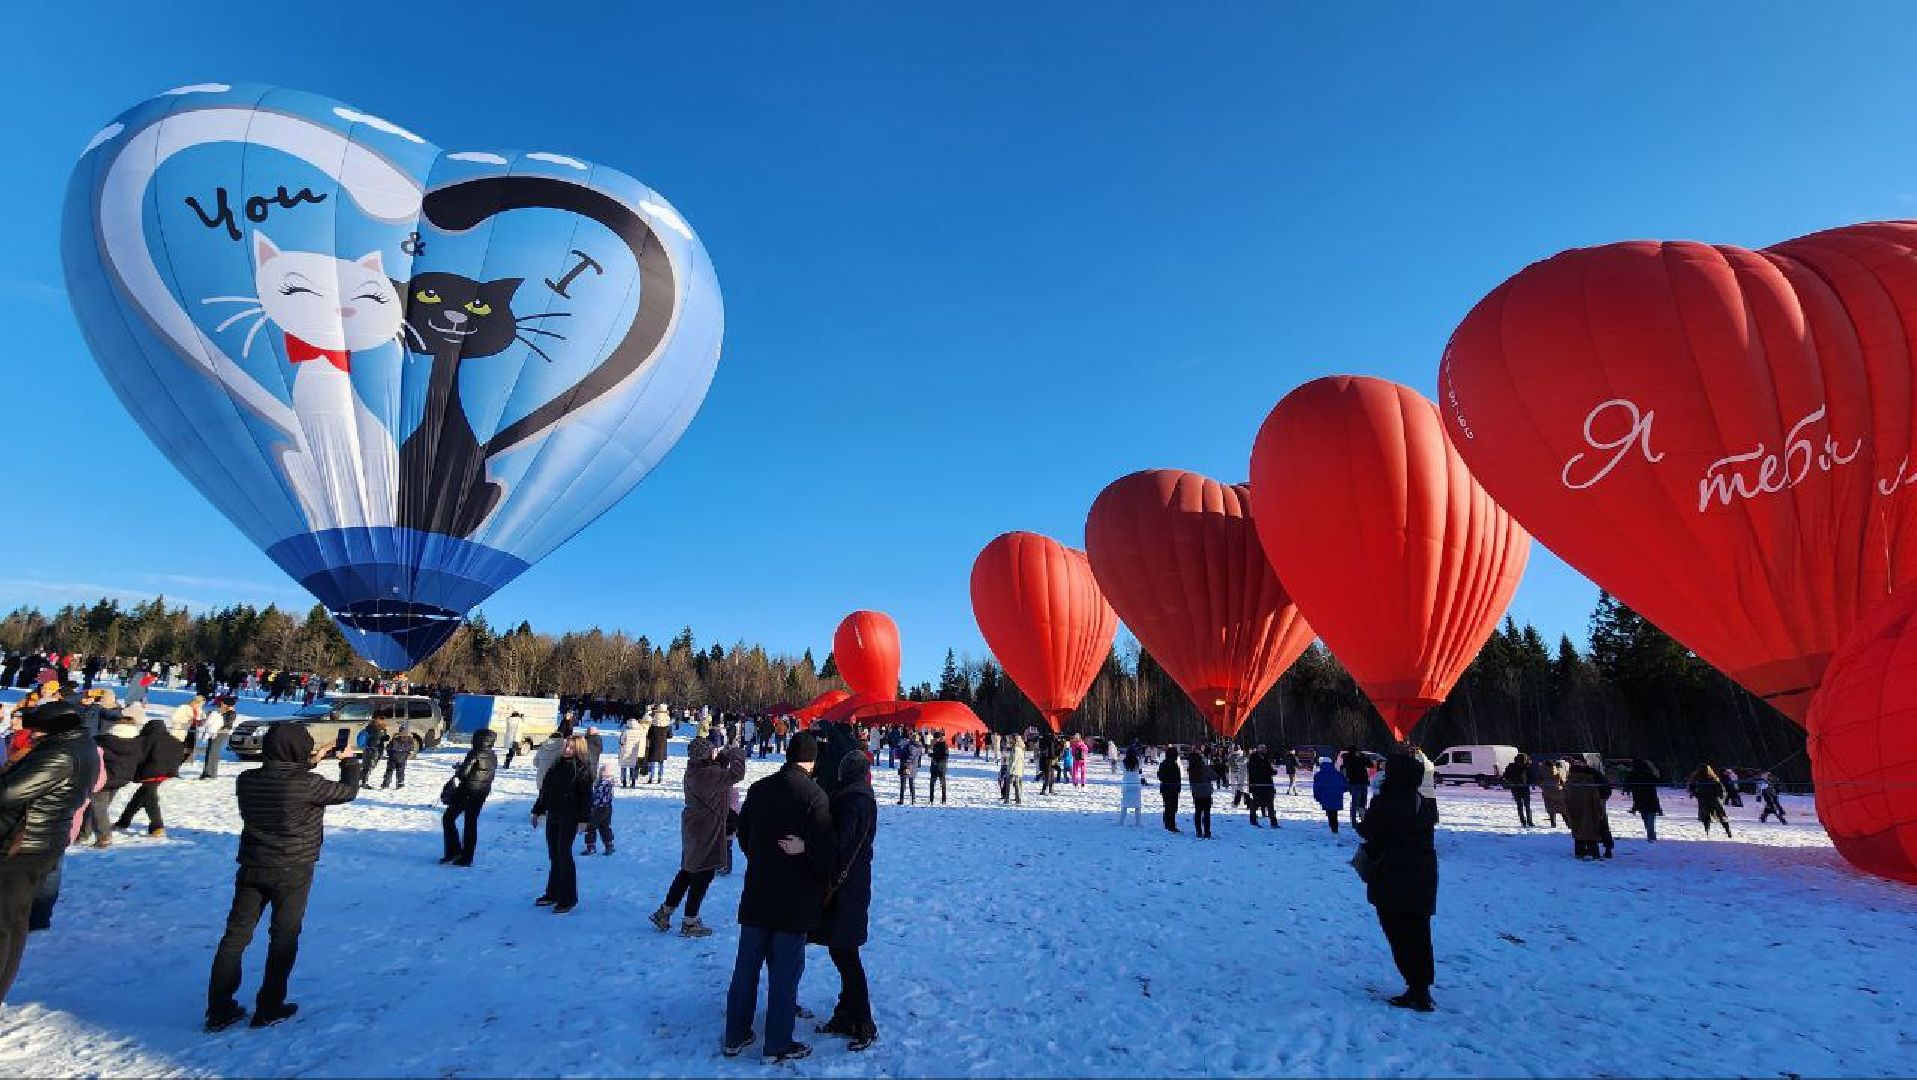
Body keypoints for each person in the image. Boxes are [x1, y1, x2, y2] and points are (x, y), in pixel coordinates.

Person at [205, 723, 360, 1031]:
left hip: (253, 863)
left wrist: (308, 762)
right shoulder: (307, 784)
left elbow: (284, 778)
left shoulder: (247, 779)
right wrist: (348, 761)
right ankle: (269, 1005)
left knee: (235, 938)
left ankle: (219, 1009)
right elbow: (348, 792)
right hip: (294, 868)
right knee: (283, 938)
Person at [723, 732, 836, 1062]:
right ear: (812, 761)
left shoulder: (759, 789)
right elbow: (827, 855)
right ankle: (777, 1043)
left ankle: (736, 1033)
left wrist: (762, 858)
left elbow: (744, 837)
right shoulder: (815, 796)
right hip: (794, 899)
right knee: (785, 972)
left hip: (758, 892)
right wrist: (807, 851)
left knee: (746, 968)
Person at [0, 701, 100, 1003]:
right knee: (15, 920)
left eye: (36, 730)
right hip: (40, 841)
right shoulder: (81, 746)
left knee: (5, 923)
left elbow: (7, 792)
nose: (32, 735)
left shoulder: (59, 753)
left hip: (25, 846)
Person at [1354, 753, 1440, 1013]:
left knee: (1398, 934)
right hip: (1422, 876)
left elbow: (1371, 832)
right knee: (1420, 934)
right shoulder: (1423, 802)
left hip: (1393, 875)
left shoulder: (1386, 802)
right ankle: (1421, 987)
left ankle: (1415, 987)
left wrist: (1364, 818)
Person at [812, 750, 879, 1051]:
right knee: (842, 953)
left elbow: (839, 842)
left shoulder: (854, 800)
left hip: (846, 888)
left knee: (846, 955)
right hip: (851, 885)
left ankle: (863, 1021)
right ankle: (846, 1014)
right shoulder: (857, 795)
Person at [651, 738, 747, 937]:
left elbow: (715, 768)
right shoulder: (709, 774)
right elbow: (736, 774)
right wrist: (737, 754)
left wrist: (724, 754)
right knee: (703, 872)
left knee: (688, 870)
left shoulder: (695, 769)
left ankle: (665, 911)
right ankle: (690, 921)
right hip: (707, 828)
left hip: (693, 825)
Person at [531, 735, 593, 913]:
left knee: (564, 855)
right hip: (553, 813)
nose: (567, 750)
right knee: (554, 855)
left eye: (571, 748)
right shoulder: (556, 764)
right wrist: (537, 809)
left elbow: (586, 797)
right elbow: (546, 790)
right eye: (566, 746)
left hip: (570, 815)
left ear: (578, 750)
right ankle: (553, 892)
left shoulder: (581, 769)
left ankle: (568, 897)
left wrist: (583, 819)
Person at [116, 715, 185, 837]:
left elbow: (139, 756)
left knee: (150, 798)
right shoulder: (174, 741)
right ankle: (124, 821)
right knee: (141, 795)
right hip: (166, 773)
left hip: (150, 773)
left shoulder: (146, 740)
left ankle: (157, 826)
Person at [440, 728, 497, 866]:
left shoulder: (475, 753)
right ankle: (467, 856)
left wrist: (459, 768)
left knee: (448, 818)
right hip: (482, 792)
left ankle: (454, 851)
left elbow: (463, 774)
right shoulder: (492, 755)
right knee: (471, 823)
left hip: (467, 791)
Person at [91, 707, 144, 848]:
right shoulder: (138, 743)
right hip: (123, 778)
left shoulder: (103, 740)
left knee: (98, 806)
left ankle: (103, 836)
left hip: (103, 778)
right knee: (102, 806)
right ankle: (89, 832)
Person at [1563, 760, 1613, 860]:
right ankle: (1601, 850)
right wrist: (1599, 809)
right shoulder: (1589, 779)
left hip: (1578, 810)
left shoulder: (1570, 783)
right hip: (1592, 808)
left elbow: (1565, 800)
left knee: (1580, 830)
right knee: (1596, 829)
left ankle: (1581, 852)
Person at [1688, 765, 1732, 837]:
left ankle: (1707, 832)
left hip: (1704, 800)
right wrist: (1720, 797)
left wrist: (1697, 795)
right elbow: (1721, 789)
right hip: (1714, 799)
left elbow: (1691, 789)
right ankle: (1728, 832)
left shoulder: (1697, 780)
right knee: (1721, 816)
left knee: (1706, 816)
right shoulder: (1713, 779)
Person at [1625, 758, 1663, 840]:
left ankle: (1651, 835)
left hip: (1639, 799)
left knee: (1646, 817)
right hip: (1650, 798)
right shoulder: (1648, 773)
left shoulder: (1633, 774)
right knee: (1650, 818)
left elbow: (1627, 783)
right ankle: (1651, 835)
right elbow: (1657, 780)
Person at [583, 762, 616, 856]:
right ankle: (609, 845)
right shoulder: (610, 783)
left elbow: (597, 797)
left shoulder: (601, 783)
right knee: (605, 827)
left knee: (591, 827)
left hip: (598, 809)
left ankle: (591, 847)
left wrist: (591, 805)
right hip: (607, 809)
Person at [200, 698, 237, 779]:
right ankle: (206, 772)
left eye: (223, 703)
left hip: (221, 734)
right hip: (212, 732)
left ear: (227, 704)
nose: (221, 704)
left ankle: (212, 774)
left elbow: (225, 723)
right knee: (209, 752)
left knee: (214, 753)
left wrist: (217, 715)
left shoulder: (231, 713)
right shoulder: (221, 711)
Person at [1313, 755, 1349, 833]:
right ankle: (1334, 828)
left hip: (1325, 795)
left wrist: (1317, 797)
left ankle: (1333, 829)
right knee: (1334, 812)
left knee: (1330, 811)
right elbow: (1345, 785)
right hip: (1337, 795)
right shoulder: (1338, 773)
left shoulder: (1319, 775)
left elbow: (1316, 787)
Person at [1246, 748, 1278, 828]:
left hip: (1268, 785)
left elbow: (1270, 770)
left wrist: (1273, 771)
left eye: (1264, 748)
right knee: (1256, 803)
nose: (1264, 750)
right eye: (1262, 748)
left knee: (1270, 803)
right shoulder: (1253, 759)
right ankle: (1253, 820)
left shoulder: (1267, 758)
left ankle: (1273, 821)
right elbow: (1254, 773)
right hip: (1257, 785)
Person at [1186, 749, 1214, 839]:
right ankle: (1207, 832)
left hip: (1196, 793)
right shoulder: (1204, 768)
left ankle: (1198, 831)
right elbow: (1214, 776)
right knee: (1206, 813)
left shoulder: (1191, 769)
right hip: (1206, 792)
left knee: (1198, 812)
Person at [1502, 753, 1535, 828]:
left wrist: (1510, 782)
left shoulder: (1512, 766)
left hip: (1517, 788)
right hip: (1522, 788)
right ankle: (1528, 822)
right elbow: (1531, 777)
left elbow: (1505, 776)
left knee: (1521, 806)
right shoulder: (1525, 766)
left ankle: (1524, 822)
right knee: (1526, 806)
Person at [1342, 748, 1372, 826]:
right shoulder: (1349, 759)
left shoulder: (1357, 759)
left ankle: (1360, 819)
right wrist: (1362, 757)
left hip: (1360, 783)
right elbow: (1369, 764)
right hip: (1356, 783)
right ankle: (1355, 821)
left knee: (1360, 803)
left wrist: (1362, 757)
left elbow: (1370, 764)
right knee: (1358, 803)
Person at [1156, 748, 1182, 832]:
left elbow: (1160, 776)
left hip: (1165, 787)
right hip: (1173, 788)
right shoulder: (1174, 765)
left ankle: (1167, 823)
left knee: (1167, 806)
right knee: (1172, 807)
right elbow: (1178, 777)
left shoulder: (1163, 764)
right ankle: (1171, 824)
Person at [1537, 757, 1567, 829]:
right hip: (1558, 792)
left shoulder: (1542, 770)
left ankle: (1553, 824)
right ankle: (1567, 823)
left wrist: (1543, 787)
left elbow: (1539, 781)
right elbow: (1563, 780)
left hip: (1547, 792)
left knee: (1551, 809)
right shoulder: (1558, 769)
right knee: (1562, 808)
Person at [646, 705, 672, 784]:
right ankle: (660, 778)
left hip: (654, 745)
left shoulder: (653, 725)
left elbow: (649, 736)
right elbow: (670, 736)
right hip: (662, 746)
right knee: (661, 763)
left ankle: (651, 778)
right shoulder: (667, 726)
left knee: (652, 762)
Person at [618, 717, 646, 788]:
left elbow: (621, 741)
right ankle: (633, 782)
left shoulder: (625, 731)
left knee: (624, 767)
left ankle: (624, 782)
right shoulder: (639, 731)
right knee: (632, 767)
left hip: (625, 751)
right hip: (634, 751)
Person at [1118, 751, 1143, 825]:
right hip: (1136, 783)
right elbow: (1140, 770)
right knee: (1137, 805)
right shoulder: (1138, 762)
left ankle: (1121, 822)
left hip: (1126, 783)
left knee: (1124, 805)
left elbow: (1121, 769)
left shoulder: (1123, 762)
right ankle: (1138, 822)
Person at [895, 736, 921, 806]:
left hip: (906, 765)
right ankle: (913, 799)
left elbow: (901, 755)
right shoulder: (919, 747)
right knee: (911, 783)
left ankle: (901, 799)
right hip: (914, 767)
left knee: (903, 783)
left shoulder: (909, 746)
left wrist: (899, 747)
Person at [1000, 735, 1025, 805]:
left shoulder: (1015, 749)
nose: (1011, 741)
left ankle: (1007, 799)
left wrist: (1010, 771)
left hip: (1013, 770)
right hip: (1019, 769)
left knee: (1008, 785)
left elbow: (1013, 760)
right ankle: (1018, 799)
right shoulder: (1021, 748)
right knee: (1017, 785)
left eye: (1012, 740)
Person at [927, 732, 949, 804]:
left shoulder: (944, 745)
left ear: (940, 738)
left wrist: (935, 757)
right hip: (934, 767)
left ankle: (944, 800)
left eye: (937, 738)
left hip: (941, 768)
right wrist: (931, 754)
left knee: (943, 784)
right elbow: (932, 754)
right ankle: (931, 799)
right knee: (932, 783)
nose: (935, 740)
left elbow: (945, 757)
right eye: (934, 738)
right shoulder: (934, 745)